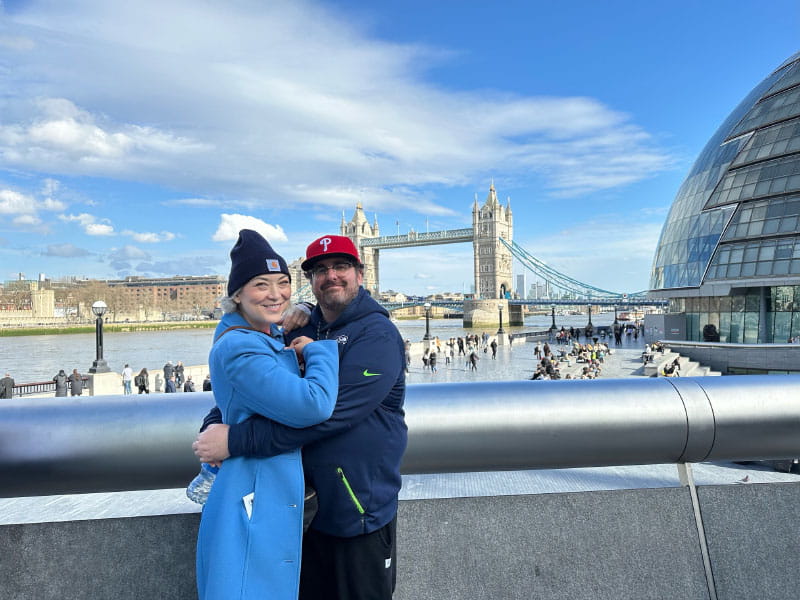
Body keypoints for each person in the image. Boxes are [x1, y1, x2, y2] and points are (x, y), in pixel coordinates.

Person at [194, 233, 407, 600]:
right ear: (310, 281)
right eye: (320, 270)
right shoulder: (302, 327)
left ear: (360, 273)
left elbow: (326, 416)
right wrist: (215, 421)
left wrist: (236, 440)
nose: (331, 277)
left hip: (356, 513)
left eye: (341, 266)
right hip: (297, 511)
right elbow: (258, 391)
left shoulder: (378, 336)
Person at [193, 229, 338, 600]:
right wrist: (321, 352)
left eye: (283, 283)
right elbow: (313, 404)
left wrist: (303, 314)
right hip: (253, 493)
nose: (276, 294)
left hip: (265, 487)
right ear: (237, 294)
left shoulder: (262, 334)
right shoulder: (242, 347)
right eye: (261, 284)